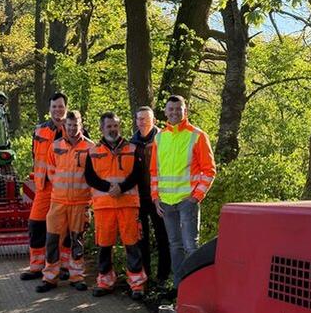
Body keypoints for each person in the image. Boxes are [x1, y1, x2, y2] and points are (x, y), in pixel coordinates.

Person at [149, 95, 216, 277]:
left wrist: (196, 197)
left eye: (178, 109)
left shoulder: (197, 136)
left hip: (188, 201)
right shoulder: (160, 138)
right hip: (166, 203)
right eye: (171, 109)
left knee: (190, 246)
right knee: (175, 245)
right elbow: (154, 172)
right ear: (165, 112)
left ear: (185, 110)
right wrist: (155, 199)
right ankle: (179, 288)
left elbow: (209, 170)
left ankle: (194, 289)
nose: (174, 112)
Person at [85, 112, 147, 300]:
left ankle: (136, 284)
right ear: (101, 128)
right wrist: (108, 188)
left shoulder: (132, 148)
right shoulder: (93, 151)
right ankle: (105, 281)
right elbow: (90, 177)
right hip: (103, 206)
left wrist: (121, 188)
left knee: (132, 244)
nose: (113, 129)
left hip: (128, 204)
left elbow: (138, 174)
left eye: (115, 126)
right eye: (109, 126)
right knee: (104, 245)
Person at [36, 110, 94, 293]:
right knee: (52, 240)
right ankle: (50, 277)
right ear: (64, 126)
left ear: (81, 125)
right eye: (68, 125)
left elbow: (94, 176)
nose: (71, 128)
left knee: (77, 241)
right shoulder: (55, 146)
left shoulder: (91, 147)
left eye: (75, 125)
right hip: (58, 201)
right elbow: (51, 171)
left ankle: (76, 276)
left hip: (80, 202)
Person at [20, 92, 71, 282]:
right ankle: (36, 267)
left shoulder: (75, 130)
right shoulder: (39, 130)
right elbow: (36, 157)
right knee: (36, 225)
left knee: (64, 228)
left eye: (61, 106)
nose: (58, 110)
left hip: (66, 189)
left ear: (66, 108)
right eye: (54, 107)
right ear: (49, 109)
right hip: (44, 187)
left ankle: (64, 266)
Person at [130, 106, 171, 285]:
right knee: (141, 238)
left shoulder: (163, 138)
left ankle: (163, 276)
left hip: (159, 197)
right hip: (138, 198)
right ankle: (144, 275)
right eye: (139, 119)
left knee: (163, 237)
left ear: (153, 120)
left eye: (146, 118)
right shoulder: (132, 143)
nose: (142, 122)